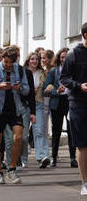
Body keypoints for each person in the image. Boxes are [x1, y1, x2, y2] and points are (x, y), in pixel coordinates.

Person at [0, 47, 29, 184]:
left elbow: (27, 90)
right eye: (6, 62)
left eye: (11, 63)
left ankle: (12, 169)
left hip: (15, 108)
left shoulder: (20, 69)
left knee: (19, 137)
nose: (8, 65)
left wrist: (19, 88)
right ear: (2, 59)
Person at [60, 23, 87, 196]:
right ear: (85, 35)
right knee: (83, 145)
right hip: (79, 103)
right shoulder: (74, 54)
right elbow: (64, 78)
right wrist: (79, 86)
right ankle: (85, 182)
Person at [43, 48, 77, 168]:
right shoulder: (54, 71)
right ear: (59, 58)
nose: (64, 59)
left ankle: (73, 158)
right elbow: (45, 90)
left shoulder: (74, 70)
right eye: (62, 57)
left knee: (71, 131)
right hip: (56, 103)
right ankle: (54, 158)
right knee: (56, 131)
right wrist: (56, 91)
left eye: (66, 57)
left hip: (70, 102)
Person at [24, 52, 50, 168]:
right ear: (28, 60)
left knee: (39, 130)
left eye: (36, 59)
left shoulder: (42, 73)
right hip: (24, 105)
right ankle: (22, 158)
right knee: (23, 134)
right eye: (32, 59)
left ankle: (42, 157)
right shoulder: (23, 72)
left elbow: (49, 85)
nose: (34, 61)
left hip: (38, 103)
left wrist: (49, 88)